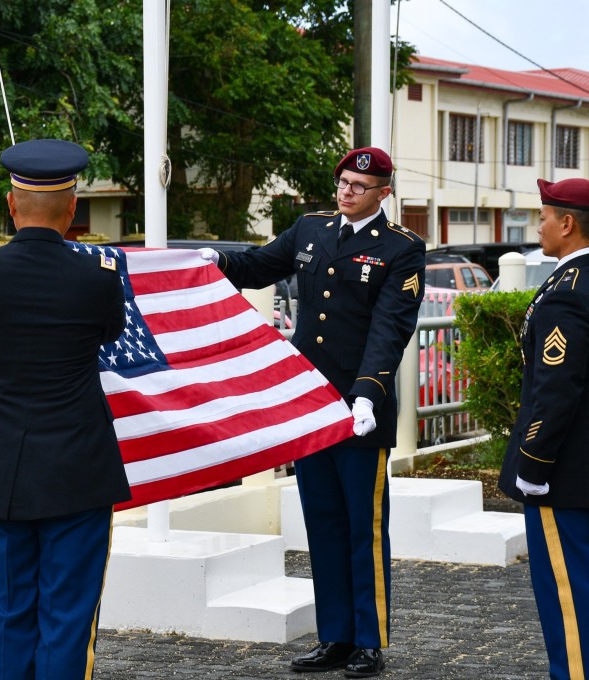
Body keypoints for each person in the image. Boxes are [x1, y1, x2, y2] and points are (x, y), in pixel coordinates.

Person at [201, 147, 425, 677]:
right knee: (322, 524)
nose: (346, 191)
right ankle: (335, 637)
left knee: (362, 527)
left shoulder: (400, 249)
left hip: (360, 408)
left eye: (358, 186)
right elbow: (259, 265)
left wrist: (368, 392)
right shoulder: (310, 228)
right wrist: (220, 261)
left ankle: (368, 639)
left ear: (383, 193)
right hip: (310, 404)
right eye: (342, 182)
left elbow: (390, 326)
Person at [0, 139, 130, 679]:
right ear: (72, 210)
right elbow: (112, 332)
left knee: (9, 614)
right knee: (67, 616)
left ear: (11, 209)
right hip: (78, 469)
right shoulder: (99, 278)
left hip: (3, 470)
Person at [498, 178, 589, 680]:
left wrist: (534, 463)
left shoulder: (567, 293)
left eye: (542, 215)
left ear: (566, 223)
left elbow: (555, 391)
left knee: (568, 593)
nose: (537, 224)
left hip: (562, 469)